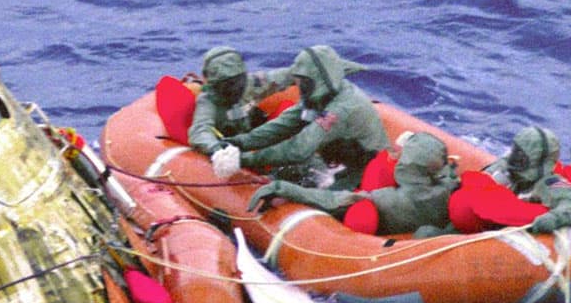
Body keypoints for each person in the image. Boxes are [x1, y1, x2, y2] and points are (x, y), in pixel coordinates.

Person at [229, 45, 389, 188]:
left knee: (297, 190)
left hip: (360, 173)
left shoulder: (341, 109)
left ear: (317, 80)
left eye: (304, 82)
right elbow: (283, 125)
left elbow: (299, 149)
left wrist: (243, 159)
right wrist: (240, 142)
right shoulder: (320, 96)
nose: (300, 87)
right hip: (336, 162)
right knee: (290, 171)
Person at [251, 130, 460, 237]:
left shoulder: (387, 199)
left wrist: (281, 187)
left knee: (360, 211)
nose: (396, 155)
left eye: (400, 154)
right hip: (423, 227)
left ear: (406, 164)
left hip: (376, 234)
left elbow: (332, 199)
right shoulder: (448, 189)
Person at [487, 125, 571, 235]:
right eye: (515, 151)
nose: (514, 157)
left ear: (536, 160)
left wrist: (552, 219)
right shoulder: (508, 167)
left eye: (520, 155)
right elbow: (482, 178)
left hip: (514, 232)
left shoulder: (551, 183)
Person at [189, 47, 270, 171]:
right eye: (228, 84)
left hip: (253, 141)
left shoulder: (251, 84)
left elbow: (284, 77)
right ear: (215, 84)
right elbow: (200, 130)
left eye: (238, 81)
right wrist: (217, 148)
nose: (235, 89)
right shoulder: (207, 102)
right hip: (232, 150)